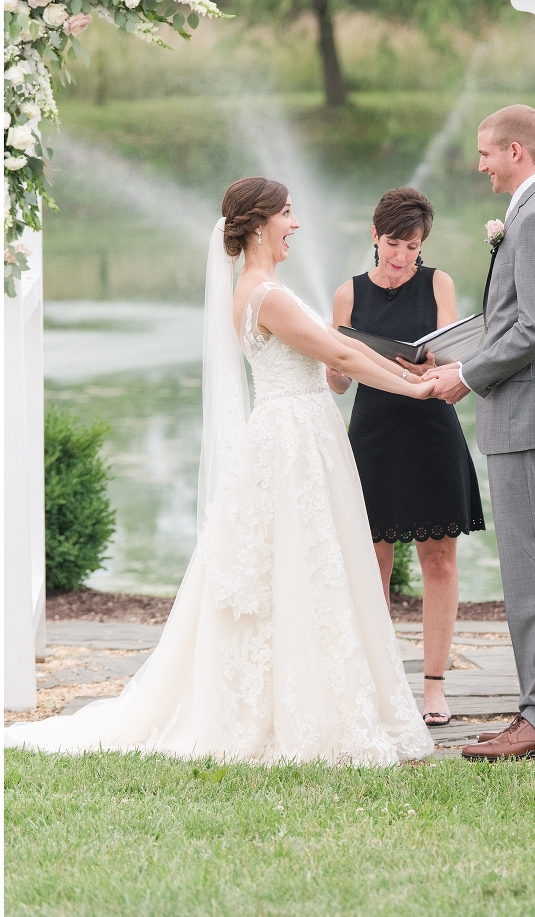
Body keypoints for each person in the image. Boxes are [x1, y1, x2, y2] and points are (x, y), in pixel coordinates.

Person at [6, 177, 436, 766]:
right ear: (260, 224)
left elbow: (345, 349)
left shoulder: (262, 288)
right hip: (291, 443)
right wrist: (416, 388)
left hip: (302, 436)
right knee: (298, 564)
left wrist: (411, 378)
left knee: (311, 567)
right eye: (288, 214)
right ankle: (292, 706)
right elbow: (338, 355)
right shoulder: (266, 296)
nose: (297, 224)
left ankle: (311, 694)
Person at [425, 105, 535, 760]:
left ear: (516, 150)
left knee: (532, 573)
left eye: (487, 153)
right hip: (532, 413)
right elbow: (521, 315)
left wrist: (467, 373)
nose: (481, 163)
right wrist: (458, 345)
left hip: (528, 416)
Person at [329, 187, 485, 727]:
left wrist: (431, 366)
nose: (401, 257)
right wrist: (333, 364)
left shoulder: (438, 282)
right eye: (393, 244)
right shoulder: (347, 294)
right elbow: (339, 382)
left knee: (438, 559)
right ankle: (377, 682)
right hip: (373, 432)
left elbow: (449, 355)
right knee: (373, 562)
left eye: (412, 247)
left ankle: (435, 688)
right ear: (374, 236)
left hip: (430, 426)